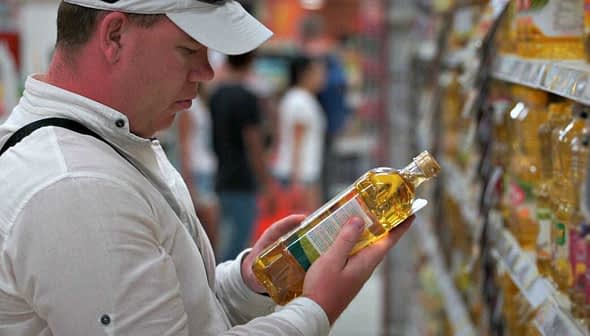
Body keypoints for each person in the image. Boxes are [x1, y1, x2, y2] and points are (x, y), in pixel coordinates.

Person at [0, 1, 413, 335]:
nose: (207, 71)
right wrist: (317, 308)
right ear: (114, 35)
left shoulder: (110, 142)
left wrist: (253, 280)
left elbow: (182, 308)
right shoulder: (78, 188)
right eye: (189, 49)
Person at [209, 51, 276, 262]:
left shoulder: (216, 95)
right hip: (243, 179)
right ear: (251, 61)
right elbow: (254, 145)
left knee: (225, 240)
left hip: (221, 174)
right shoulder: (247, 98)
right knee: (238, 246)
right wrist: (266, 182)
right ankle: (223, 291)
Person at [299, 14, 351, 201]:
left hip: (320, 125)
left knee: (315, 172)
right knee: (322, 172)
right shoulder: (330, 57)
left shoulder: (317, 58)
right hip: (328, 125)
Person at [272, 55, 326, 213]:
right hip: (300, 174)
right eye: (317, 72)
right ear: (305, 74)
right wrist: (297, 182)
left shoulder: (296, 98)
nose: (322, 77)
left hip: (300, 172)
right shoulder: (300, 100)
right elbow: (297, 140)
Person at [177, 85, 219, 252]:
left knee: (209, 221)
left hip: (205, 166)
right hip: (197, 168)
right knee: (207, 220)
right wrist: (187, 174)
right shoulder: (190, 106)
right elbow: (184, 142)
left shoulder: (200, 103)